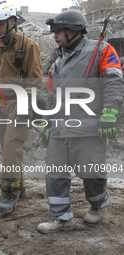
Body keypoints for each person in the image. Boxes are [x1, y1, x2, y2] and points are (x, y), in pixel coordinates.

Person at [37, 9, 124, 234]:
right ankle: (62, 218)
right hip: (59, 127)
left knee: (91, 173)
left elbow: (114, 82)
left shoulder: (102, 50)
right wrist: (47, 123)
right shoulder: (57, 62)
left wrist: (109, 112)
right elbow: (51, 98)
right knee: (54, 173)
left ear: (73, 30)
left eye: (58, 31)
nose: (54, 36)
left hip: (89, 127)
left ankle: (97, 203)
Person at [0, 1, 42, 213]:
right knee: (7, 148)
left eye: (1, 23)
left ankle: (9, 194)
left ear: (12, 21)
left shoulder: (28, 46)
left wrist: (26, 108)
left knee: (12, 147)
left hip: (19, 103)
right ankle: (19, 186)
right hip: (1, 105)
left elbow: (34, 81)